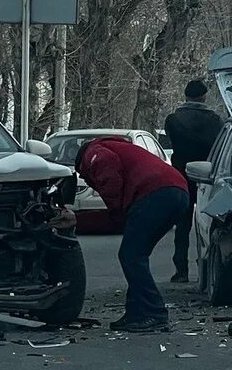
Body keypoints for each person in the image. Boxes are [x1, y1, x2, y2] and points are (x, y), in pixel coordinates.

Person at [73, 135, 189, 332]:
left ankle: (154, 313)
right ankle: (136, 312)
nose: (87, 179)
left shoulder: (94, 152)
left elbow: (107, 169)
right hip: (178, 192)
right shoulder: (120, 148)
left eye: (84, 176)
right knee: (135, 254)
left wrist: (115, 210)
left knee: (132, 256)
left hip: (156, 193)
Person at [163, 79, 224, 284]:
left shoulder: (173, 120)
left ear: (185, 95)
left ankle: (181, 270)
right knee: (210, 221)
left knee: (182, 225)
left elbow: (174, 143)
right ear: (204, 97)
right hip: (209, 176)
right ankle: (207, 266)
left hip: (181, 175)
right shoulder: (215, 120)